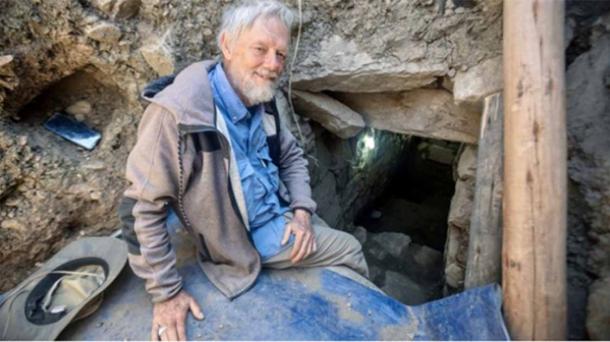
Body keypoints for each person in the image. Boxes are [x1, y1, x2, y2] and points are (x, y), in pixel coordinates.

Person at [118, 1, 369, 340]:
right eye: (260, 49)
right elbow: (139, 208)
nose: (273, 64)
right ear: (227, 45)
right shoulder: (178, 115)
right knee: (349, 248)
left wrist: (302, 212)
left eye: (280, 54)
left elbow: (292, 156)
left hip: (280, 212)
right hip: (245, 238)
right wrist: (166, 293)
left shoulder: (256, 95)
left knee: (320, 231)